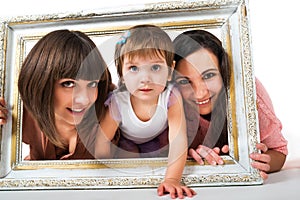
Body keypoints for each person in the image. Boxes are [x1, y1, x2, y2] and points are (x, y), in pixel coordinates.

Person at [94, 24, 196, 198]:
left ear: (170, 70)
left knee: (163, 153)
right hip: (127, 144)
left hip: (160, 142)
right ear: (121, 74)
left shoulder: (171, 97)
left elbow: (178, 140)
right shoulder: (119, 102)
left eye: (155, 68)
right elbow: (101, 144)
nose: (145, 79)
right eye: (133, 68)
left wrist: (172, 179)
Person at [172, 29, 288, 179]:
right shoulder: (167, 100)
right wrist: (184, 159)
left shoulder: (248, 92)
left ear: (223, 71)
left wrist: (262, 161)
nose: (200, 93)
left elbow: (279, 151)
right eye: (184, 81)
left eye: (208, 75)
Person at [0, 29, 116, 160]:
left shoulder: (111, 107)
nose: (84, 99)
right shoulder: (20, 112)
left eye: (92, 84)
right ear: (42, 83)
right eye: (68, 84)